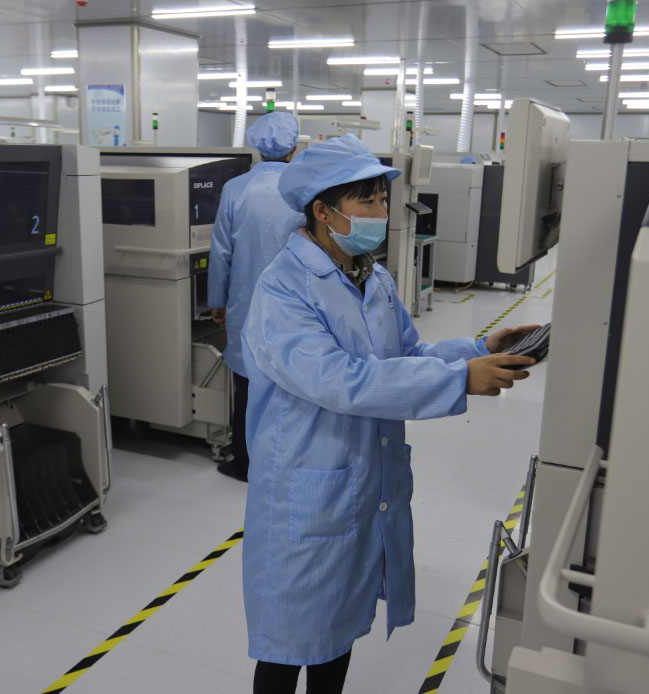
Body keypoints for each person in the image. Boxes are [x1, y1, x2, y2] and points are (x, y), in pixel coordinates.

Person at [239, 134, 538, 693]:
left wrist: (476, 350)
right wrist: (458, 380)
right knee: (289, 642)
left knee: (340, 627)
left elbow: (407, 354)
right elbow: (339, 380)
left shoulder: (371, 277)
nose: (381, 212)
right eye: (367, 201)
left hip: (359, 479)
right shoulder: (283, 288)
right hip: (308, 487)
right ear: (323, 211)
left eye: (382, 199)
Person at [208, 111, 305, 482]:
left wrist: (217, 301)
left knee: (247, 384)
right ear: (294, 148)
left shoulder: (236, 189)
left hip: (245, 304)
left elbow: (221, 253)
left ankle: (245, 462)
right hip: (296, 304)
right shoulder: (304, 189)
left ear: (257, 149)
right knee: (293, 380)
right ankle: (288, 461)